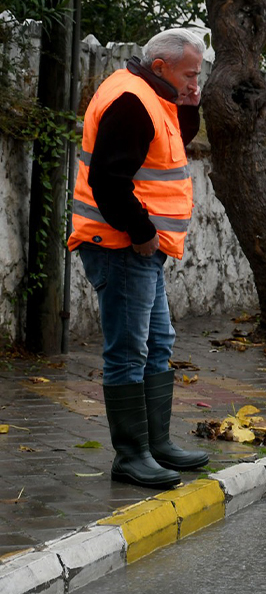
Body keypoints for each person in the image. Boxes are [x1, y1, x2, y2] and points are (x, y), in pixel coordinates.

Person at [68, 28, 209, 489]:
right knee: (129, 352)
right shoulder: (130, 100)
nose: (196, 82)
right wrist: (143, 232)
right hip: (123, 246)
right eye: (190, 74)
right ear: (161, 66)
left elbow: (169, 146)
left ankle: (156, 444)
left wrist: (189, 102)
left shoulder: (149, 92)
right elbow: (110, 181)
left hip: (139, 249)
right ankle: (132, 456)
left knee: (158, 342)